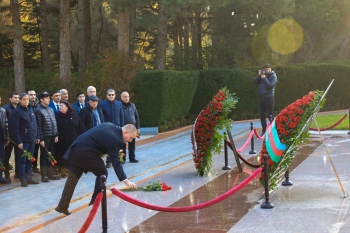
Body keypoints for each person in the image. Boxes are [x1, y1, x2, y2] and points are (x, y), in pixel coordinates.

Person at [55, 123, 137, 216]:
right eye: (131, 137)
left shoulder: (110, 125)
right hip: (86, 152)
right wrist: (126, 181)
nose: (130, 141)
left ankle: (62, 206)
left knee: (72, 179)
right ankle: (94, 204)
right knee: (102, 174)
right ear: (126, 132)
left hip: (77, 149)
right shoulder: (116, 139)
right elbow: (116, 162)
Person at [10, 93, 40, 187]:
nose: (26, 101)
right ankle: (22, 179)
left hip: (31, 139)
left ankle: (29, 177)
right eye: (24, 99)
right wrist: (19, 141)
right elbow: (15, 128)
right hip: (23, 140)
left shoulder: (30, 109)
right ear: (20, 100)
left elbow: (35, 124)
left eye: (27, 99)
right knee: (22, 160)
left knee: (29, 159)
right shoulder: (16, 112)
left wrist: (37, 136)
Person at [55, 101, 86, 178]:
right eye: (60, 106)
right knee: (62, 154)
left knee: (72, 154)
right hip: (61, 139)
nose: (60, 107)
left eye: (62, 106)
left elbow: (80, 127)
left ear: (67, 107)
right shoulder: (57, 116)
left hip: (73, 138)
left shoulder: (74, 115)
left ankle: (73, 169)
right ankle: (63, 171)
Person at [35, 91, 61, 182]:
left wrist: (56, 134)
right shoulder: (38, 110)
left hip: (52, 135)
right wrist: (41, 138)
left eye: (49, 97)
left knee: (50, 155)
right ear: (41, 99)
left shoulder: (50, 109)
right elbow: (38, 126)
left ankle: (50, 173)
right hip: (45, 136)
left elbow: (54, 123)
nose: (48, 99)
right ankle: (44, 175)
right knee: (44, 155)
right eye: (46, 98)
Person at [100, 89, 124, 167]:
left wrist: (122, 126)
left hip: (118, 127)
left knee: (119, 144)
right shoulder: (102, 104)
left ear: (115, 95)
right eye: (109, 95)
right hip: (108, 128)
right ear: (107, 95)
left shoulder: (119, 104)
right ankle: (109, 161)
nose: (111, 96)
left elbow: (121, 116)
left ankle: (120, 159)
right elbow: (102, 116)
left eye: (112, 95)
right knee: (108, 144)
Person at [253, 63, 277, 134]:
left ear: (270, 69)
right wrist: (259, 75)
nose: (266, 71)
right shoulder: (262, 75)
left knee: (270, 115)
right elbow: (255, 81)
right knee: (262, 115)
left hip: (269, 98)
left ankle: (274, 131)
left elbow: (270, 85)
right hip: (261, 98)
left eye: (267, 69)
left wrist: (264, 78)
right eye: (265, 69)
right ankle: (264, 131)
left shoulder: (273, 76)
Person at [3, 92, 19, 182]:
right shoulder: (6, 109)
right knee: (7, 155)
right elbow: (5, 124)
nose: (17, 99)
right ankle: (6, 174)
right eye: (15, 97)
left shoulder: (20, 108)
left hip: (17, 136)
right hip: (9, 136)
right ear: (10, 99)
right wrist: (7, 137)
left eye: (17, 97)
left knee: (18, 154)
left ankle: (17, 172)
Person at [121, 91, 140, 163]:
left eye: (127, 96)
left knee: (132, 145)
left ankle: (132, 158)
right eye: (125, 97)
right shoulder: (120, 106)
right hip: (124, 130)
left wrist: (138, 128)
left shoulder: (133, 106)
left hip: (133, 129)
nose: (126, 98)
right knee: (122, 145)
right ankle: (122, 159)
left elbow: (137, 117)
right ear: (121, 98)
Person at [28, 90, 40, 174]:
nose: (33, 96)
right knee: (29, 152)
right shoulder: (26, 106)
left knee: (36, 151)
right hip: (28, 133)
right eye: (31, 95)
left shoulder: (38, 105)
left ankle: (35, 167)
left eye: (34, 95)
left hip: (37, 131)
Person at [0, 96, 10, 184]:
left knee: (1, 156)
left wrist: (7, 137)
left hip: (1, 136)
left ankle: (0, 176)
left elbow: (6, 124)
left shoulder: (2, 111)